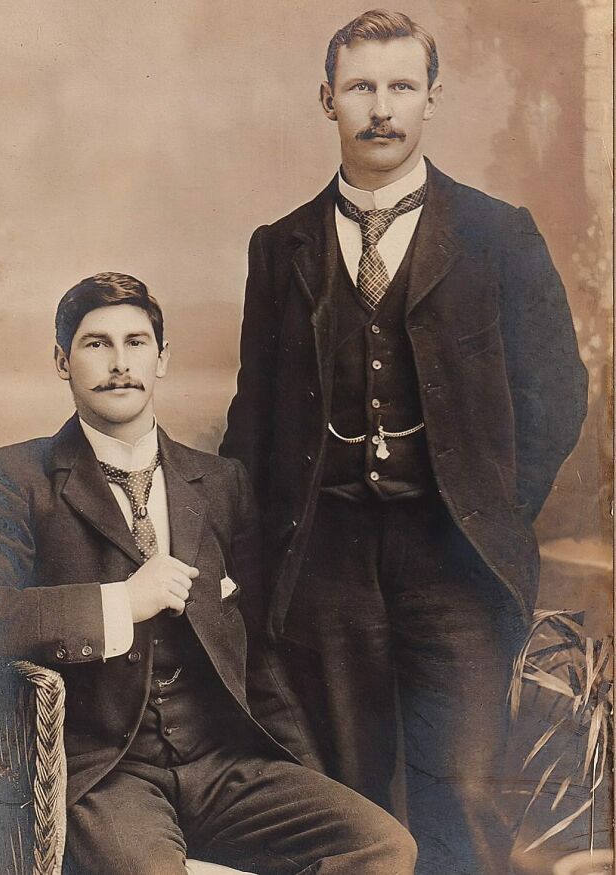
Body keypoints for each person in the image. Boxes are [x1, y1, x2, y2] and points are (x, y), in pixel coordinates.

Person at [220, 9, 588, 875]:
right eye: (360, 87)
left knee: (465, 786)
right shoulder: (281, 247)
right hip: (325, 565)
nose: (381, 108)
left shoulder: (499, 234)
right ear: (327, 100)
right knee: (346, 799)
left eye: (400, 86)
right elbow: (254, 420)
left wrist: (490, 505)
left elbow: (556, 394)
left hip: (455, 560)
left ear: (432, 98)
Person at [0, 272, 416, 875]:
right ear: (62, 361)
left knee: (382, 847)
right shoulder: (15, 478)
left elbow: (257, 656)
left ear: (162, 359)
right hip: (107, 774)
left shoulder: (221, 483)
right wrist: (119, 602)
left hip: (222, 763)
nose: (120, 363)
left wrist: (304, 770)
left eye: (136, 343)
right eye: (96, 343)